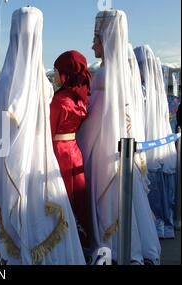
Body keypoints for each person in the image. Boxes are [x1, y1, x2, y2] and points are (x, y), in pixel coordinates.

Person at [0, 7, 85, 265]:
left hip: (14, 163)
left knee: (10, 225)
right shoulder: (43, 82)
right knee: (42, 219)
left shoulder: (8, 79)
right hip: (40, 163)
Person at [77, 10, 160, 264]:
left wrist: (77, 140)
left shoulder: (106, 74)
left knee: (109, 203)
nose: (92, 45)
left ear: (107, 39)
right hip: (115, 146)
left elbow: (96, 118)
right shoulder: (117, 69)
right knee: (128, 203)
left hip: (103, 148)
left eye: (96, 40)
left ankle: (114, 247)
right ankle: (131, 248)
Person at [134, 45, 178, 239]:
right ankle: (162, 224)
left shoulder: (145, 90)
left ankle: (156, 225)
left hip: (149, 141)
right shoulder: (158, 90)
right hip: (159, 141)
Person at [50, 50, 91, 250]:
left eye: (56, 71)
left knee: (61, 196)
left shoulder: (59, 101)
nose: (54, 75)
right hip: (74, 150)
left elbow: (47, 131)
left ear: (65, 73)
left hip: (58, 151)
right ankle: (80, 236)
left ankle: (62, 241)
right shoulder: (80, 98)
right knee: (77, 195)